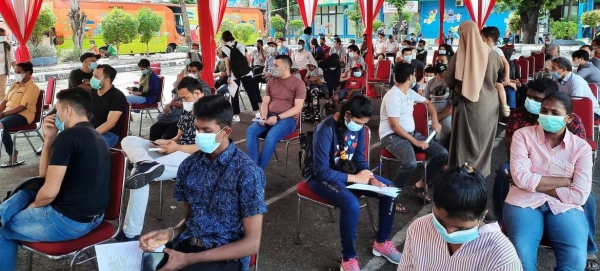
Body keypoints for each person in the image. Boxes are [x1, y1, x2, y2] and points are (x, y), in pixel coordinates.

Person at [138, 95, 266, 271]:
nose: (200, 136)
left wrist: (189, 260)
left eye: (206, 130)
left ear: (226, 132)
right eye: (197, 130)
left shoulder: (247, 172)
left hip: (224, 256)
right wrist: (169, 233)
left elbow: (252, 244)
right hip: (186, 247)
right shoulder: (189, 166)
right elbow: (191, 221)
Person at [0, 87, 109, 271]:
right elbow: (44, 177)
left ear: (67, 110)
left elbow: (49, 193)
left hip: (68, 221)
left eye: (57, 110)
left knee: (3, 231)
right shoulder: (96, 135)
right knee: (29, 189)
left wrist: (34, 207)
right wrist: (49, 140)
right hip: (94, 216)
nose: (56, 115)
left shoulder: (69, 136)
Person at [306, 96, 401, 271]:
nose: (360, 127)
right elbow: (321, 171)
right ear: (347, 114)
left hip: (346, 172)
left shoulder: (359, 128)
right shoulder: (325, 129)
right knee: (351, 204)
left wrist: (371, 178)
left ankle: (382, 242)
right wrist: (356, 179)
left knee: (390, 190)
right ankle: (348, 258)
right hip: (319, 178)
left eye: (363, 124)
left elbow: (358, 157)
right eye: (358, 122)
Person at [504, 91, 592, 271]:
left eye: (555, 113)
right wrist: (566, 181)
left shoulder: (581, 147)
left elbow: (580, 195)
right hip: (523, 202)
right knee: (521, 262)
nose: (547, 116)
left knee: (574, 261)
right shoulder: (523, 136)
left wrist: (534, 184)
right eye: (544, 110)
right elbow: (521, 178)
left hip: (565, 205)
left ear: (568, 118)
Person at [117, 77, 204, 242]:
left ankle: (130, 234)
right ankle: (145, 162)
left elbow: (205, 146)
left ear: (198, 93)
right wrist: (170, 142)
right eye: (181, 98)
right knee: (129, 140)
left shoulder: (209, 111)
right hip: (175, 150)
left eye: (185, 98)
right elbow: (179, 136)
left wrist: (176, 147)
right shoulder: (188, 110)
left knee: (138, 174)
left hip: (191, 156)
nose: (183, 102)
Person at [397, 165, 522, 271]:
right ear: (434, 205)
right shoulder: (419, 228)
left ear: (483, 215)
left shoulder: (502, 258)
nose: (449, 232)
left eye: (461, 228)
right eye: (441, 223)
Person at [380, 62, 448, 212]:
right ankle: (392, 195)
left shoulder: (409, 92)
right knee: (410, 163)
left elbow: (429, 103)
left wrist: (435, 121)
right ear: (411, 77)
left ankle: (422, 184)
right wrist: (416, 141)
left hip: (409, 134)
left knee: (441, 154)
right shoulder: (393, 95)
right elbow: (395, 126)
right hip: (392, 136)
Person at [445, 20, 502, 176]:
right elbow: (496, 79)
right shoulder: (494, 55)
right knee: (483, 143)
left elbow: (449, 79)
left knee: (466, 143)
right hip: (490, 104)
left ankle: (463, 178)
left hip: (468, 104)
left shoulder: (461, 55)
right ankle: (480, 175)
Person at [246, 55, 305, 169]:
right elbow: (265, 102)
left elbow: (297, 108)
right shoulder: (271, 82)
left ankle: (257, 172)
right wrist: (263, 115)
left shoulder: (298, 84)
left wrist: (277, 118)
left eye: (276, 65)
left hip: (288, 119)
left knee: (271, 135)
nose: (272, 68)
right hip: (269, 115)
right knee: (251, 131)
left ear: (285, 68)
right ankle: (254, 169)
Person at [0, 62, 40, 167]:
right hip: (9, 114)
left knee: (1, 126)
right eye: (15, 72)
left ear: (27, 73)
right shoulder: (14, 85)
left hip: (23, 115)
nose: (15, 74)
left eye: (18, 72)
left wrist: (3, 114)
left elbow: (22, 107)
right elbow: (4, 102)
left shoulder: (33, 87)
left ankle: (12, 153)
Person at [221, 31, 261, 122]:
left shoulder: (224, 48)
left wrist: (228, 76)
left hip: (234, 74)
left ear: (224, 39)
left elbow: (227, 64)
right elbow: (248, 58)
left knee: (234, 93)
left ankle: (236, 115)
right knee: (251, 92)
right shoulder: (241, 44)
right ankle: (257, 113)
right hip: (246, 72)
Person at [90, 64, 127, 148]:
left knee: (89, 147)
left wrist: (90, 135)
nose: (92, 79)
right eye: (93, 76)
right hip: (91, 130)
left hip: (109, 134)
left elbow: (110, 123)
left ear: (107, 80)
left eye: (96, 77)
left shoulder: (117, 96)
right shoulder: (92, 92)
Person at [481, 26, 511, 118]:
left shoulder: (497, 50)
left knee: (499, 86)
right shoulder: (482, 50)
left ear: (488, 39)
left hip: (497, 73)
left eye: (481, 37)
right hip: (487, 73)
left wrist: (507, 77)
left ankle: (504, 105)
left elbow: (506, 64)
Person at [424, 63, 452, 148]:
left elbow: (452, 107)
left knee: (442, 132)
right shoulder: (430, 82)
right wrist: (431, 117)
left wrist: (437, 119)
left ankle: (442, 156)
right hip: (432, 113)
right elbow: (426, 101)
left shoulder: (452, 83)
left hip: (446, 115)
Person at [0, 28, 15, 102]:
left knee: (2, 92)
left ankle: (1, 110)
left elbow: (12, 59)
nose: (2, 37)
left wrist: (17, 70)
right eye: (0, 35)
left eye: (3, 35)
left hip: (3, 72)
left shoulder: (7, 46)